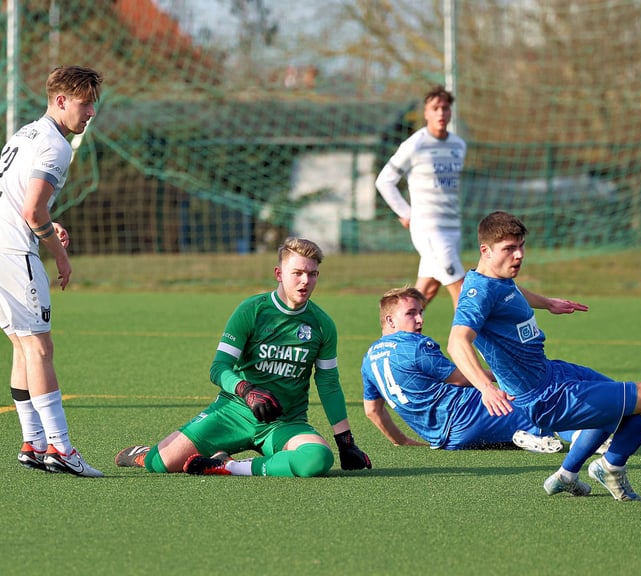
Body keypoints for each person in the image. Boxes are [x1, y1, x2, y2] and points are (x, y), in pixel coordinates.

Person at [447, 211, 641, 501]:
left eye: (521, 246)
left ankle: (566, 475)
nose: (519, 255)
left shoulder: (496, 278)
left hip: (553, 373)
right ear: (485, 250)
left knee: (615, 408)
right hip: (544, 399)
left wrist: (547, 303)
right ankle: (611, 467)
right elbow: (457, 341)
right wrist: (485, 387)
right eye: (509, 249)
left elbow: (511, 291)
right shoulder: (477, 293)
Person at [114, 237, 372, 477]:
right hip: (233, 413)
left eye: (312, 274)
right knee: (162, 463)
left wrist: (346, 443)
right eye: (297, 273)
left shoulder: (322, 324)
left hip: (283, 424)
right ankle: (144, 454)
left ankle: (228, 466)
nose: (305, 281)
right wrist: (246, 389)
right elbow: (218, 368)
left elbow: (328, 385)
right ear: (279, 274)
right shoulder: (252, 310)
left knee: (316, 460)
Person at [0, 65, 104, 477]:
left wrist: (43, 220)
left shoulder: (25, 133)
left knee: (23, 348)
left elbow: (19, 200)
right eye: (85, 103)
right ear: (61, 101)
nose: (91, 112)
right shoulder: (57, 146)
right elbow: (32, 209)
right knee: (41, 349)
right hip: (14, 254)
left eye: (94, 103)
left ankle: (33, 442)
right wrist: (58, 251)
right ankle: (61, 449)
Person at [363, 286, 578, 452]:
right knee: (542, 401)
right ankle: (591, 438)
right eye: (411, 313)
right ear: (390, 320)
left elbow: (372, 411)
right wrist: (512, 373)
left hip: (446, 439)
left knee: (520, 411)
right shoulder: (414, 346)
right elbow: (462, 379)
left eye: (420, 312)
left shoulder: (369, 359)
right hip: (467, 414)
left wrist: (402, 441)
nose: (420, 319)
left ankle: (527, 435)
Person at [375, 85, 467, 309]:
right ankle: (462, 344)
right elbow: (384, 181)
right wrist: (406, 213)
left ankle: (394, 338)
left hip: (452, 229)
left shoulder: (459, 145)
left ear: (450, 112)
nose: (440, 113)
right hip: (429, 229)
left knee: (425, 291)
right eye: (435, 108)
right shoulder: (415, 144)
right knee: (464, 293)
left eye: (445, 108)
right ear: (426, 113)